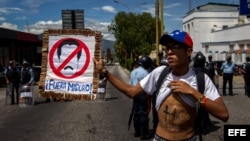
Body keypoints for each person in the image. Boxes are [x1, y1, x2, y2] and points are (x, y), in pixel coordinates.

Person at [93, 30, 229, 141]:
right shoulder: (159, 73)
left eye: (175, 47)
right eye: (167, 48)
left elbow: (223, 114)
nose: (169, 52)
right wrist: (104, 72)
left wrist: (193, 93)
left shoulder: (201, 79)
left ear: (188, 52)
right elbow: (131, 92)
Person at [129, 55, 151, 140]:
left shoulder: (133, 71)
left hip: (134, 94)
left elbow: (131, 83)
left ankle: (137, 132)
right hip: (142, 94)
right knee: (143, 114)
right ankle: (143, 134)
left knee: (136, 113)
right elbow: (147, 86)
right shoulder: (145, 73)